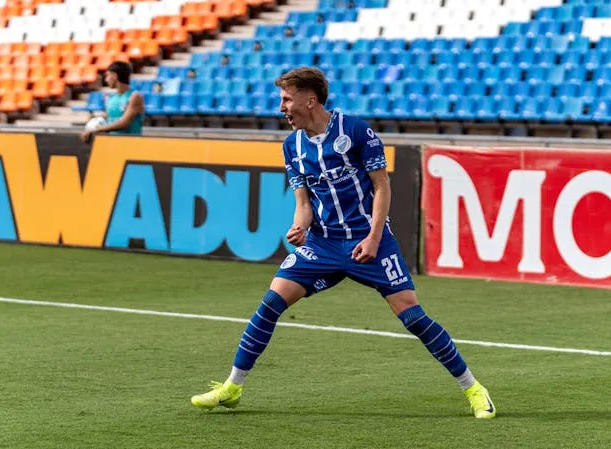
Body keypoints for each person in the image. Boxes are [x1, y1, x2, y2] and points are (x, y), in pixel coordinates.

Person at [189, 67, 496, 419]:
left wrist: (374, 237)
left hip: (370, 241)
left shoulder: (355, 131)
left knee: (412, 315)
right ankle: (232, 387)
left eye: (286, 99)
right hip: (322, 244)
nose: (281, 107)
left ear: (310, 100)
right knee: (272, 302)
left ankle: (473, 388)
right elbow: (304, 203)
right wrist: (299, 227)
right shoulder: (292, 146)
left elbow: (382, 187)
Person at [80, 61, 145, 142]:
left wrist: (96, 129)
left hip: (130, 144)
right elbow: (108, 118)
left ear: (114, 76)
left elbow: (123, 123)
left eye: (107, 76)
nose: (106, 80)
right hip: (112, 144)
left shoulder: (134, 96)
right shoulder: (111, 98)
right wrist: (92, 124)